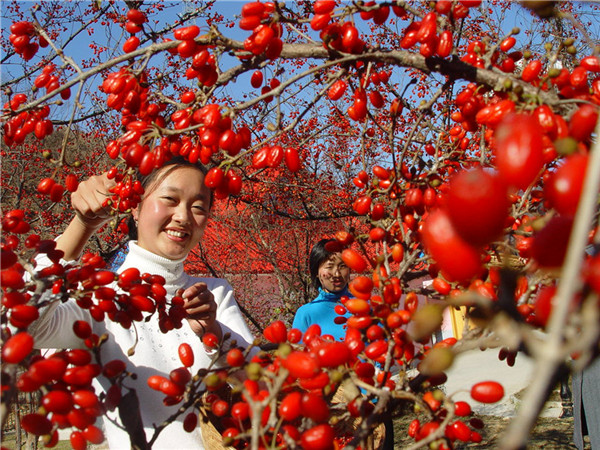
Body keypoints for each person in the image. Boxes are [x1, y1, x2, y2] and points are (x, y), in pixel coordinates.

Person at [29, 157, 256, 449]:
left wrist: (214, 332)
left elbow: (256, 381)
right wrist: (82, 225)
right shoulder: (101, 295)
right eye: (170, 199)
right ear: (135, 207)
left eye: (198, 207)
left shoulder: (216, 294)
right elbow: (29, 324)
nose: (184, 217)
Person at [292, 238, 351, 341]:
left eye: (343, 266)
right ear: (316, 272)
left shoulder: (365, 306)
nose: (337, 274)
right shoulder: (306, 314)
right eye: (329, 267)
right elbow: (298, 353)